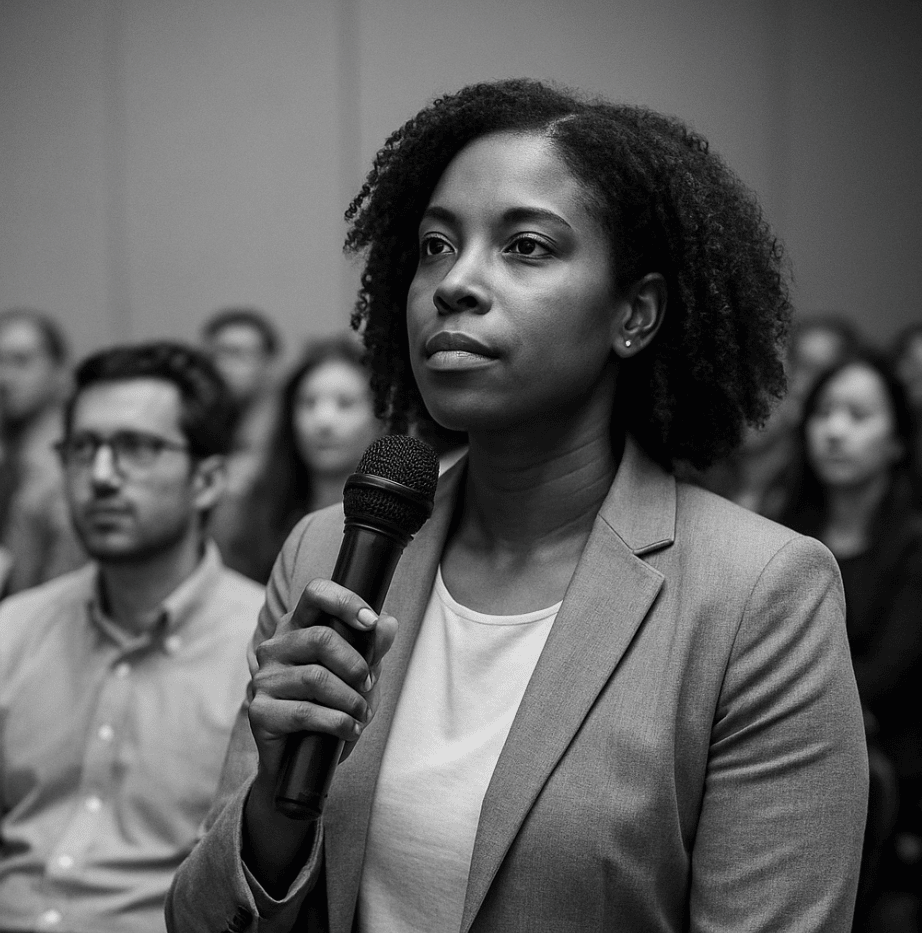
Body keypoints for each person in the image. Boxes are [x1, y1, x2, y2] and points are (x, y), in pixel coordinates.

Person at [168, 78, 868, 933]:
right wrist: (276, 806)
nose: (453, 283)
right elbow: (201, 922)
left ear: (635, 314)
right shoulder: (328, 553)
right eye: (433, 246)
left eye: (527, 246)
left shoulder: (759, 594)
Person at [0, 342, 265, 933]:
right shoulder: (13, 630)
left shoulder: (263, 650)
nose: (99, 477)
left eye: (137, 448)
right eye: (82, 448)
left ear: (208, 480)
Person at [780, 353, 922, 931]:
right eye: (824, 414)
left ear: (896, 442)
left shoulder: (912, 547)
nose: (835, 431)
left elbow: (883, 674)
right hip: (784, 781)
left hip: (888, 788)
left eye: (858, 416)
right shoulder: (779, 535)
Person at [221, 333, 383, 583]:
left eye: (345, 403)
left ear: (378, 418)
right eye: (309, 403)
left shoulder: (395, 527)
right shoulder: (255, 511)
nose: (323, 421)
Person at [0, 307, 85, 595]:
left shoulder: (65, 463)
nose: (5, 377)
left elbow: (62, 589)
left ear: (59, 369)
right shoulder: (12, 455)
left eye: (21, 361)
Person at [201, 307, 282, 547]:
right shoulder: (202, 421)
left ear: (268, 364)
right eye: (216, 355)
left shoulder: (287, 427)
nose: (223, 366)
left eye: (237, 354)